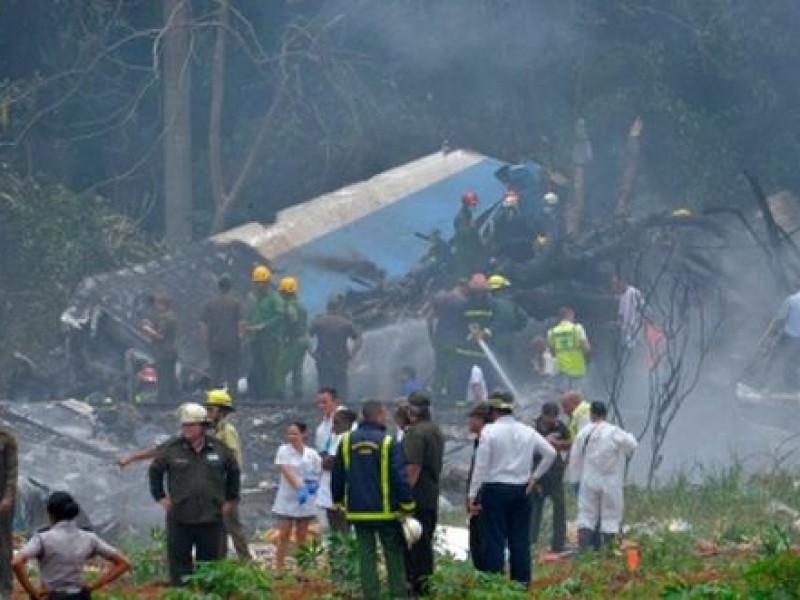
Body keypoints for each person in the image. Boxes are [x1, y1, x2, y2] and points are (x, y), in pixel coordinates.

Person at [468, 391, 556, 587]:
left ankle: (495, 583)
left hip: (494, 490)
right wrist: (534, 477)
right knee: (520, 540)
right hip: (521, 490)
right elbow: (550, 453)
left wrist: (472, 495)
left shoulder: (489, 433)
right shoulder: (527, 431)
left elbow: (480, 467)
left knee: (495, 539)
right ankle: (522, 583)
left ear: (493, 411)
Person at [149, 402, 240, 586]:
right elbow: (155, 471)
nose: (187, 429)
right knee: (179, 563)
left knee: (211, 566)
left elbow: (234, 472)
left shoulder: (219, 448)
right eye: (184, 425)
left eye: (191, 425)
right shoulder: (172, 448)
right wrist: (160, 497)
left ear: (202, 426)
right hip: (180, 516)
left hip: (211, 516)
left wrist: (230, 500)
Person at [331, 400, 415, 600]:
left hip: (358, 512)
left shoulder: (346, 441)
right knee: (393, 556)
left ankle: (371, 595)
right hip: (386, 512)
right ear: (379, 414)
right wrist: (407, 505)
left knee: (366, 557)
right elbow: (399, 477)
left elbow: (338, 475)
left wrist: (338, 502)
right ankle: (398, 595)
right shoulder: (388, 442)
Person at [12, 491, 131, 599]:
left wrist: (33, 592)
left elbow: (17, 562)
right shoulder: (89, 538)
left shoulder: (42, 538)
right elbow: (123, 563)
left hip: (52, 595)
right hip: (79, 595)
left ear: (50, 514)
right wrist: (93, 586)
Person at [569, 401, 638, 552]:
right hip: (610, 480)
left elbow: (575, 458)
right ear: (605, 414)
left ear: (591, 414)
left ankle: (585, 551)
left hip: (589, 479)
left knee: (587, 515)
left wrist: (574, 480)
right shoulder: (614, 431)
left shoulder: (583, 433)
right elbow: (632, 445)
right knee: (611, 516)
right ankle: (609, 551)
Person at [402, 392, 445, 597]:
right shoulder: (435, 430)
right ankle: (426, 585)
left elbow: (413, 467)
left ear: (413, 410)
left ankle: (416, 587)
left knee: (414, 543)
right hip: (430, 494)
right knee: (425, 541)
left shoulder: (416, 433)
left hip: (416, 496)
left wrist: (404, 496)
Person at [205, 389, 251, 561]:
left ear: (221, 411)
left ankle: (246, 562)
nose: (209, 413)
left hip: (226, 486)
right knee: (219, 527)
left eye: (211, 409)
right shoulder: (215, 431)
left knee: (232, 525)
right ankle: (220, 561)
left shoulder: (227, 431)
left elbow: (232, 460)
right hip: (216, 485)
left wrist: (230, 489)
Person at [272, 422, 322, 570]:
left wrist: (311, 488)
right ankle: (279, 568)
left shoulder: (312, 454)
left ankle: (302, 569)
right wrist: (300, 487)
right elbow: (286, 470)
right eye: (289, 433)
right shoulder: (283, 450)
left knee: (302, 535)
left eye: (294, 433)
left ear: (303, 434)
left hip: (305, 501)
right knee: (284, 534)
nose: (291, 437)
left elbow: (317, 473)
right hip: (287, 499)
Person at [529, 402, 570, 554]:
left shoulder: (560, 426)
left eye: (554, 417)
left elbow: (570, 443)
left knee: (559, 506)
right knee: (535, 508)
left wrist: (558, 444)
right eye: (549, 418)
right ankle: (531, 542)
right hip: (538, 472)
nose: (552, 421)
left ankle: (558, 543)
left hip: (555, 472)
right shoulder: (532, 427)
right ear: (543, 415)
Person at [308, 296, 363, 400]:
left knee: (324, 385)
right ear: (339, 308)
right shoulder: (345, 323)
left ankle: (326, 409)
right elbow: (359, 339)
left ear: (327, 308)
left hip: (322, 357)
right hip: (340, 358)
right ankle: (341, 409)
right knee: (341, 386)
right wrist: (353, 354)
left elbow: (307, 336)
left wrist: (311, 352)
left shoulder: (319, 322)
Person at [244, 265, 285, 401]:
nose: (258, 285)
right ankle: (261, 396)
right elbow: (252, 315)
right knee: (258, 367)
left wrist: (264, 326)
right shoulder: (256, 299)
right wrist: (247, 324)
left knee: (270, 368)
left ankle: (271, 396)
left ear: (267, 282)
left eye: (260, 282)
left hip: (270, 340)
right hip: (256, 339)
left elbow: (280, 316)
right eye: (256, 282)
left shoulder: (274, 298)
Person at [200, 274, 243, 395]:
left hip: (214, 343)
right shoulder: (235, 303)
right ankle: (232, 400)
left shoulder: (210, 304)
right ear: (230, 287)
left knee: (215, 374)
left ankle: (215, 400)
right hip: (232, 343)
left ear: (219, 287)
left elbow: (202, 323)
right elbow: (240, 323)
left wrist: (205, 339)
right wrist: (240, 336)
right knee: (232, 374)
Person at [455, 273, 496, 395]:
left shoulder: (493, 306)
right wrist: (469, 335)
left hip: (487, 351)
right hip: (467, 351)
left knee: (490, 380)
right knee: (465, 380)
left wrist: (486, 332)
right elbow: (458, 325)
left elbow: (498, 324)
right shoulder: (463, 306)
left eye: (481, 292)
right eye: (476, 292)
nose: (479, 295)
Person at [427, 280, 468, 400]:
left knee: (440, 368)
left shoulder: (441, 298)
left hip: (440, 339)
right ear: (463, 287)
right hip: (455, 340)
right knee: (453, 368)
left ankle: (436, 397)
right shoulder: (462, 302)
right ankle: (452, 397)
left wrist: (432, 337)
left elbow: (429, 319)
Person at [322, 408, 358, 533]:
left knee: (341, 527)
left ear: (347, 424)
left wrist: (324, 459)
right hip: (334, 491)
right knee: (336, 528)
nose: (334, 426)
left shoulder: (343, 438)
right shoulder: (337, 438)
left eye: (336, 423)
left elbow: (328, 462)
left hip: (339, 491)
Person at [465, 403, 490, 571]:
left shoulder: (486, 441)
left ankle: (485, 573)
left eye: (472, 418)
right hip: (477, 495)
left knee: (482, 539)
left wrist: (473, 497)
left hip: (483, 497)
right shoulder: (478, 441)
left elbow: (481, 471)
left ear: (481, 420)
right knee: (475, 539)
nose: (469, 422)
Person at [141, 294, 178, 404]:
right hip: (171, 350)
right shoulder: (171, 316)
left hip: (164, 351)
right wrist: (151, 325)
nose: (156, 307)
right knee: (170, 376)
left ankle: (163, 401)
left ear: (163, 305)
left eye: (158, 304)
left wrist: (147, 329)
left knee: (163, 377)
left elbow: (160, 336)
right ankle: (172, 399)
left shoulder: (165, 317)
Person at [314, 388, 342, 531]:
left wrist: (326, 460)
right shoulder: (321, 427)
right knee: (326, 524)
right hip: (326, 481)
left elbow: (335, 457)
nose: (321, 406)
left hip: (342, 480)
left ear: (335, 402)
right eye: (319, 403)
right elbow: (322, 454)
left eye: (325, 402)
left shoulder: (345, 421)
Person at [277, 276, 309, 401]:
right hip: (303, 340)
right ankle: (298, 394)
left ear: (285, 292)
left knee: (280, 368)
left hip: (294, 341)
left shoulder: (289, 306)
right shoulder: (301, 306)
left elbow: (293, 320)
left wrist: (286, 336)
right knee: (297, 368)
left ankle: (279, 394)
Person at [487, 274, 528, 368]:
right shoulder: (511, 303)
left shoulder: (488, 304)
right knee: (508, 367)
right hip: (510, 340)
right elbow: (523, 319)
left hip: (492, 342)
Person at [547, 306, 591, 390]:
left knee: (562, 394)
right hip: (577, 368)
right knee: (576, 396)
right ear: (570, 315)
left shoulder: (551, 332)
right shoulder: (577, 328)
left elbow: (552, 353)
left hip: (560, 369)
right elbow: (586, 348)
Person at [0, 415, 18, 599]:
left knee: (4, 544)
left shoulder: (6, 439)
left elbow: (12, 472)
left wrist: (7, 497)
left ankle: (6, 587)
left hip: (2, 500)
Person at [561, 390, 591, 494]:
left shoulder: (583, 413)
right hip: (580, 470)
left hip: (585, 472)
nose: (564, 411)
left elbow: (582, 441)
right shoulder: (577, 415)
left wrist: (558, 444)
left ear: (573, 402)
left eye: (565, 406)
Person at [773, 282, 800, 391]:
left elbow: (780, 317)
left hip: (789, 336)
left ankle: (770, 384)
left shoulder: (791, 299)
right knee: (794, 362)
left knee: (777, 358)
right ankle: (793, 386)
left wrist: (773, 333)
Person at [452, 191, 484, 279]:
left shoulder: (467, 215)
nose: (475, 207)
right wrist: (472, 228)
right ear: (466, 205)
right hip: (465, 253)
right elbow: (463, 234)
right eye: (473, 205)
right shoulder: (460, 218)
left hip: (470, 250)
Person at [613, 273, 643, 349]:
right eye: (614, 284)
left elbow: (642, 307)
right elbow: (621, 313)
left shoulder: (634, 292)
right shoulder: (621, 296)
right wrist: (618, 322)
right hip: (626, 330)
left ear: (623, 282)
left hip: (636, 328)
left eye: (617, 283)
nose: (615, 286)